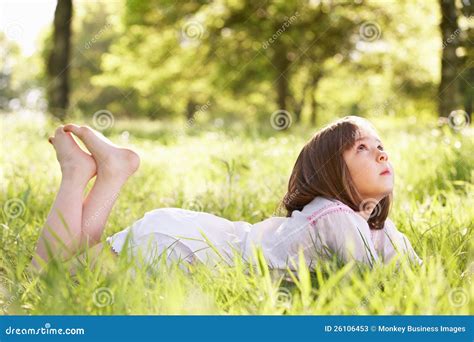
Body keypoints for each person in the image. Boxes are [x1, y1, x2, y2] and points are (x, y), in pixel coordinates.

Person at [30, 116, 422, 273]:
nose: (381, 153)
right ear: (330, 172)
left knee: (68, 271)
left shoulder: (371, 228)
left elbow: (412, 274)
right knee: (46, 279)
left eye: (380, 145)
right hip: (185, 248)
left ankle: (109, 172)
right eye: (362, 149)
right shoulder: (333, 216)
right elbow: (374, 289)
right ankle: (76, 174)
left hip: (198, 239)